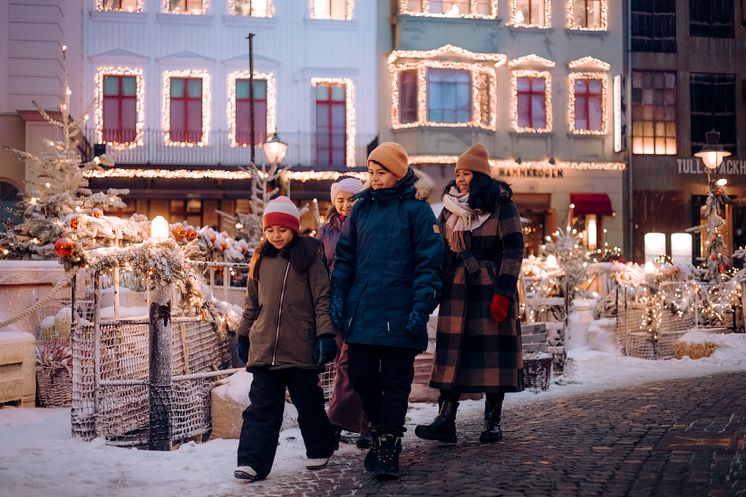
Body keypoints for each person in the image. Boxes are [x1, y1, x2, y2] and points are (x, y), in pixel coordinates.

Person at [330, 142, 444, 480]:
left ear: (398, 174)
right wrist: (339, 294)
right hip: (363, 312)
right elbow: (345, 257)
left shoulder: (417, 211)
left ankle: (388, 448)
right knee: (361, 377)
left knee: (396, 384)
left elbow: (430, 264)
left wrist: (420, 307)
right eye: (371, 173)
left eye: (381, 173)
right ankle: (382, 431)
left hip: (401, 311)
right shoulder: (360, 210)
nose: (375, 179)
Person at [415, 143, 524, 445]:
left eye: (467, 173)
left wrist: (503, 290)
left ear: (481, 176)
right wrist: (433, 289)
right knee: (452, 357)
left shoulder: (502, 207)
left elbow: (514, 250)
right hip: (455, 291)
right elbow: (437, 252)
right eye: (458, 173)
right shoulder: (449, 209)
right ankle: (445, 420)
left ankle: (492, 422)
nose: (461, 179)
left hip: (489, 290)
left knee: (493, 360)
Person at [234, 196, 338, 482]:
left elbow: (321, 298)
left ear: (294, 228)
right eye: (270, 230)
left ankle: (320, 447)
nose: (276, 235)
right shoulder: (261, 258)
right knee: (261, 408)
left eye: (282, 229)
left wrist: (325, 334)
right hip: (266, 347)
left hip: (300, 347)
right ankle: (252, 462)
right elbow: (251, 303)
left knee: (308, 404)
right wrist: (243, 334)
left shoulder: (308, 255)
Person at [315, 177, 372, 449]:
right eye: (341, 200)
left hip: (362, 304)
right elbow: (317, 268)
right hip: (334, 305)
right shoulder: (325, 232)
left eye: (352, 198)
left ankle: (337, 423)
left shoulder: (368, 226)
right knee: (347, 364)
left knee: (350, 364)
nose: (347, 204)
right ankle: (365, 424)